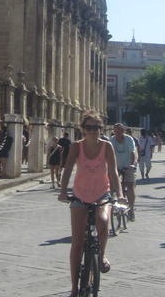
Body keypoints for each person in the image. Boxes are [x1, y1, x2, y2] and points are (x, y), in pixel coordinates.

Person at [58, 111, 123, 297]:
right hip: (79, 195)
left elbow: (113, 172)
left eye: (97, 127)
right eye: (89, 127)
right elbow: (68, 169)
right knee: (77, 243)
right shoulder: (76, 147)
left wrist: (119, 194)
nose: (93, 131)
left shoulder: (107, 146)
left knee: (103, 222)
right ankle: (74, 288)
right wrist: (63, 191)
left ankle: (101, 254)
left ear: (101, 129)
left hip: (101, 194)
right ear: (83, 129)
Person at [110, 123, 137, 221]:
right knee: (111, 185)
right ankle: (111, 204)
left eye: (120, 131)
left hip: (128, 165)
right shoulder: (111, 141)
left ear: (124, 131)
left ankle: (132, 210)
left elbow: (132, 153)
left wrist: (132, 164)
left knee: (130, 185)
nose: (118, 133)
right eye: (116, 131)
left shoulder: (129, 139)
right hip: (116, 166)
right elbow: (108, 154)